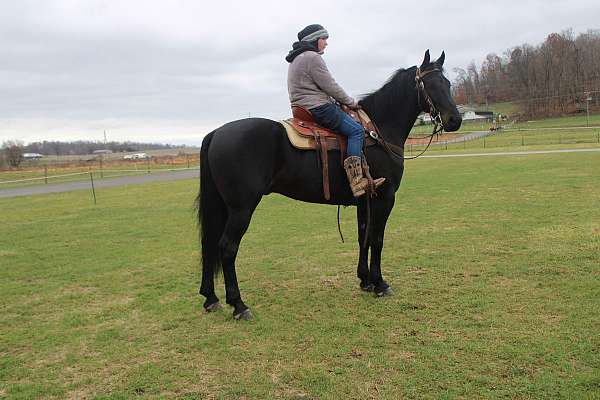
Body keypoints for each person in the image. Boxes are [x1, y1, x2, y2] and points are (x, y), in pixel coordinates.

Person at [286, 24, 384, 197]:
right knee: (356, 131)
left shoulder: (297, 59)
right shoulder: (312, 57)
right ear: (314, 40)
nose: (326, 43)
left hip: (303, 107)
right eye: (324, 39)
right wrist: (350, 102)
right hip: (318, 107)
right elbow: (330, 85)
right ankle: (357, 181)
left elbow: (317, 87)